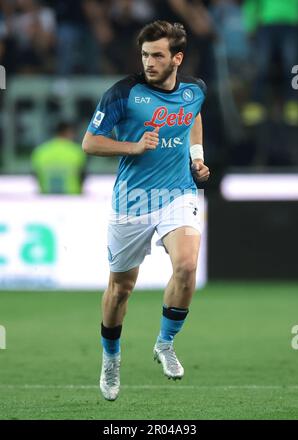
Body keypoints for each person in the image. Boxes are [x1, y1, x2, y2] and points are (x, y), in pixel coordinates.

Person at [82, 20, 210, 401]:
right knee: (121, 288)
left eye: (157, 55)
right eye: (144, 55)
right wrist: (133, 148)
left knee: (186, 267)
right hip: (132, 201)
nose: (149, 62)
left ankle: (165, 343)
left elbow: (194, 116)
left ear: (177, 58)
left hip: (178, 193)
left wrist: (197, 158)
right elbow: (90, 142)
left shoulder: (194, 91)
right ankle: (111, 358)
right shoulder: (124, 92)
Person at [31, 121, 86, 194]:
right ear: (68, 132)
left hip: (46, 198)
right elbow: (82, 175)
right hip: (72, 198)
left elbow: (36, 175)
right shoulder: (76, 151)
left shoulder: (41, 151)